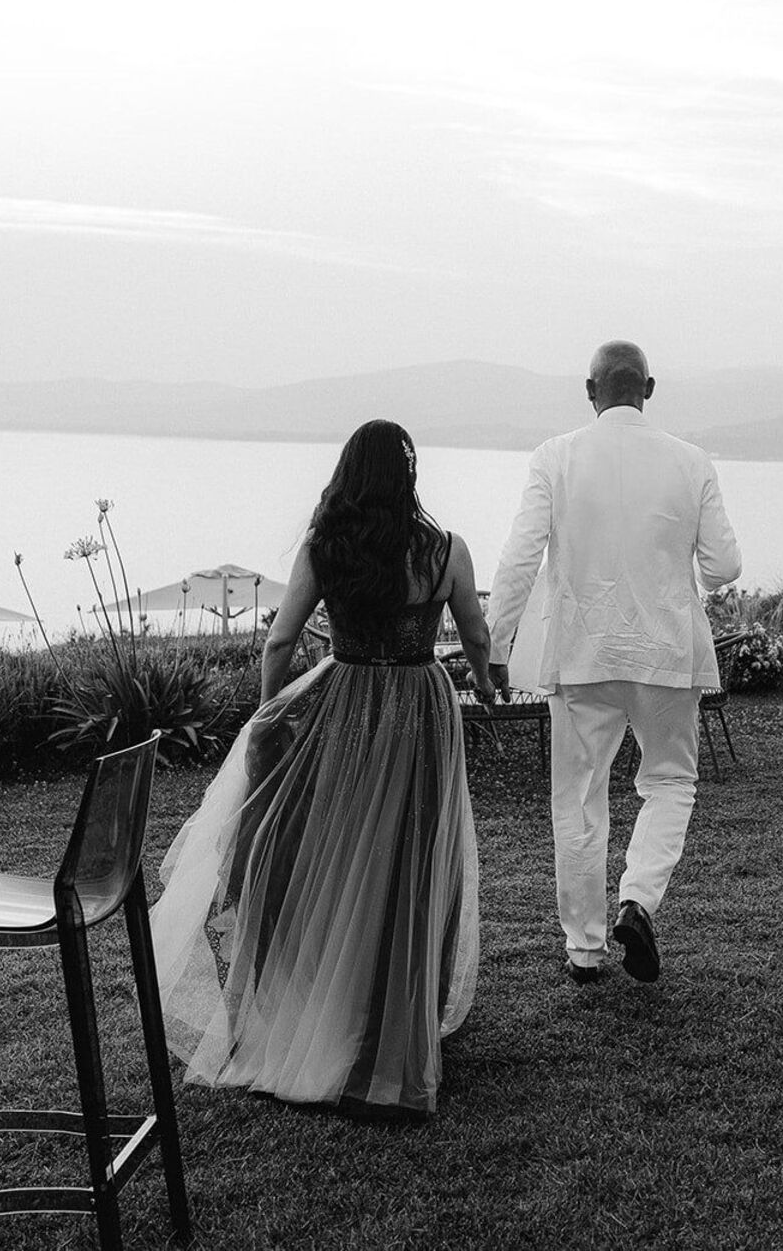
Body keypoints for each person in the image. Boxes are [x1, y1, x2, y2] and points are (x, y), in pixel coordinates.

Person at [148, 419, 495, 1118]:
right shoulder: (447, 550)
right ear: (409, 475)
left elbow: (280, 640)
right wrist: (484, 684)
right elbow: (477, 634)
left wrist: (269, 711)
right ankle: (395, 1021)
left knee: (332, 854)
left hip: (344, 709)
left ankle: (321, 1008)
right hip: (422, 710)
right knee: (408, 861)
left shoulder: (325, 547)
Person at [487, 341, 742, 986]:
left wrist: (495, 644)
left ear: (589, 390)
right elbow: (724, 567)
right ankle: (639, 901)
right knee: (671, 782)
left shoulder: (555, 457)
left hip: (581, 654)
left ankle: (584, 949)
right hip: (666, 653)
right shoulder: (692, 461)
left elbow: (520, 558)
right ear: (648, 389)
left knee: (578, 799)